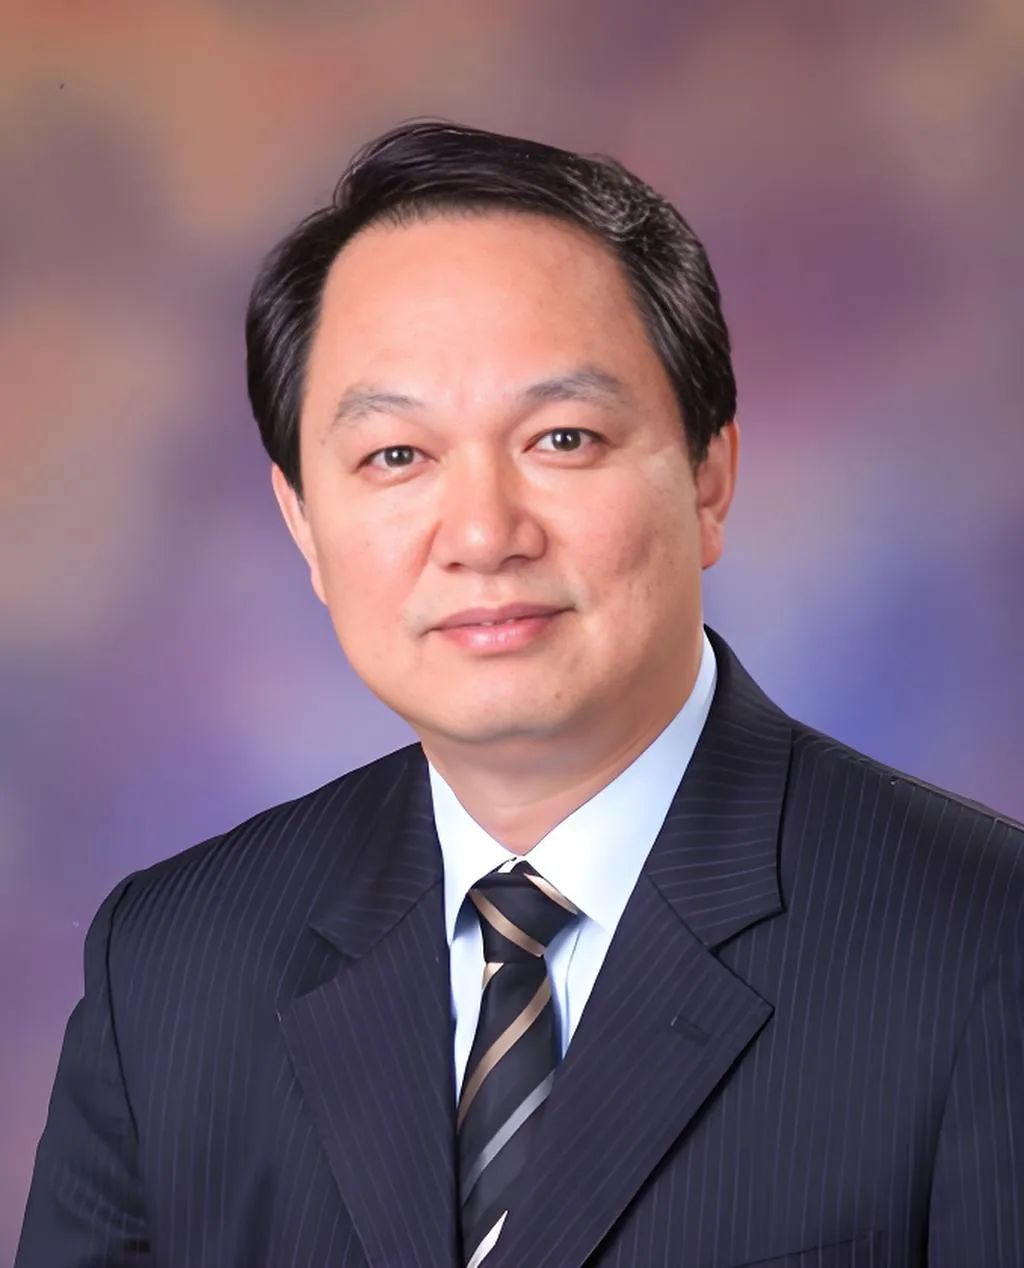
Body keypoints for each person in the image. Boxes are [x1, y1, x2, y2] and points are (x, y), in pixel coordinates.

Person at [15, 120, 1024, 1268]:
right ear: (302, 520)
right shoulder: (172, 968)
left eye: (562, 437)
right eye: (396, 456)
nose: (484, 532)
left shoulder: (980, 943)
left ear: (708, 474)